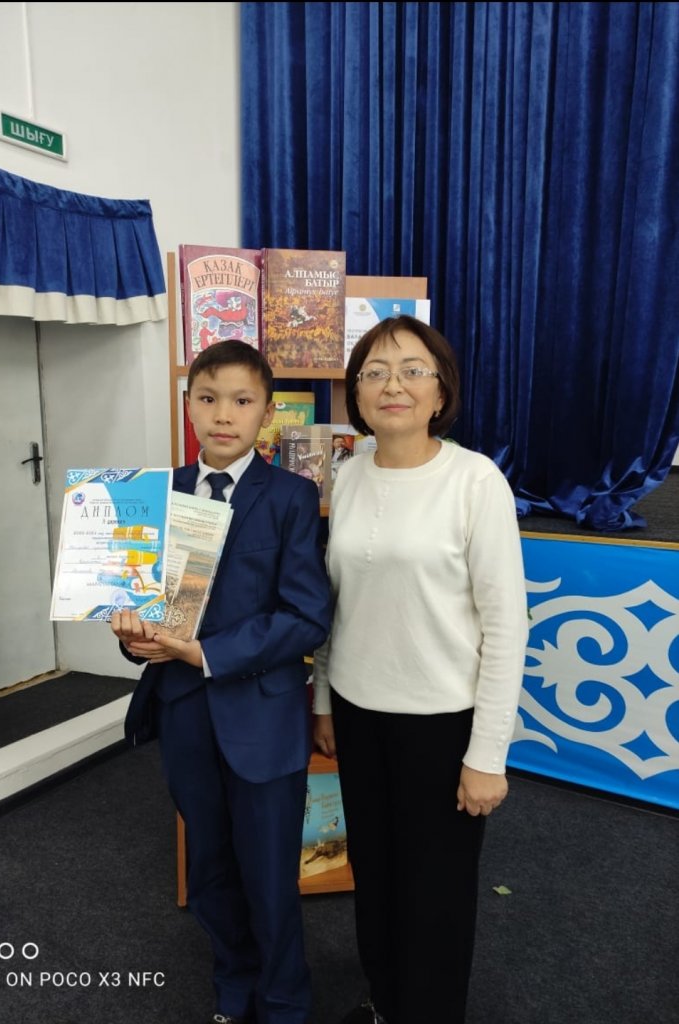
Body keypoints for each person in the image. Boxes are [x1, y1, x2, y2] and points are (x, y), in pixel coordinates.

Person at [312, 315, 528, 1024]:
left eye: (411, 370)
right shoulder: (347, 475)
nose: (392, 385)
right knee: (373, 874)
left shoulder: (474, 480)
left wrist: (487, 754)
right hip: (357, 710)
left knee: (436, 893)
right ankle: (384, 1002)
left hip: (442, 722)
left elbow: (506, 626)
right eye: (373, 373)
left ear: (441, 391)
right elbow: (336, 603)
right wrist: (323, 702)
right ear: (355, 394)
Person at [112, 339, 332, 1024]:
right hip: (184, 711)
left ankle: (285, 999)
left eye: (241, 400)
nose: (223, 414)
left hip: (262, 716)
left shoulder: (292, 496)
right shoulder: (155, 495)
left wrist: (204, 652)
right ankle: (233, 983)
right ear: (189, 406)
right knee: (208, 864)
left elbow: (306, 617)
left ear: (266, 411)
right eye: (208, 399)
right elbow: (145, 604)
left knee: (269, 872)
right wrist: (133, 635)